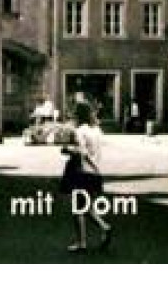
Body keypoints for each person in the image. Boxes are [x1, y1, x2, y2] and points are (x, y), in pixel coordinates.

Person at [60, 100, 112, 253]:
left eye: (75, 113)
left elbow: (82, 152)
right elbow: (95, 150)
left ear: (78, 115)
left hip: (82, 172)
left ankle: (81, 242)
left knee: (78, 208)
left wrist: (67, 150)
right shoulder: (97, 130)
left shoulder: (80, 131)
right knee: (85, 206)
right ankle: (104, 227)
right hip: (96, 172)